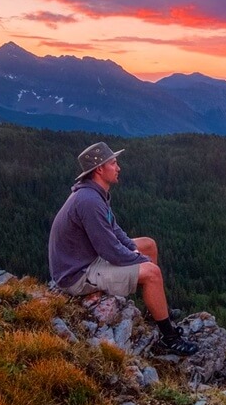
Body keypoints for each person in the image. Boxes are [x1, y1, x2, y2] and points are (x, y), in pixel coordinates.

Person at [48, 141, 199, 356]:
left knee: (149, 244)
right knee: (152, 273)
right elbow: (109, 250)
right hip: (77, 274)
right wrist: (138, 260)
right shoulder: (89, 201)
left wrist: (136, 252)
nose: (118, 168)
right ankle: (170, 338)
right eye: (114, 163)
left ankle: (154, 309)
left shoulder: (96, 194)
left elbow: (116, 232)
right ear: (100, 169)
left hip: (86, 259)